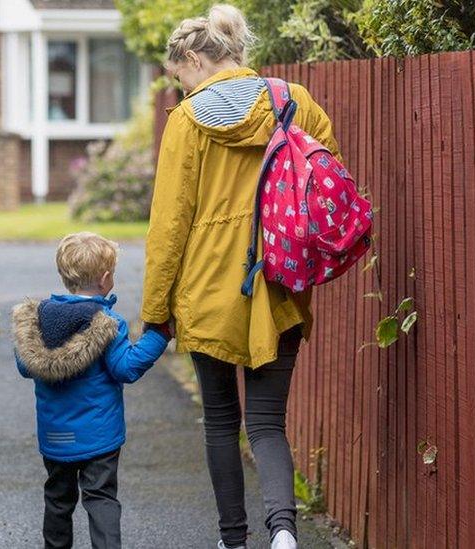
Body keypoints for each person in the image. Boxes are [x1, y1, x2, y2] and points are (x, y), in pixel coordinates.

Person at [141, 5, 342, 549]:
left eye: (179, 76)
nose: (180, 89)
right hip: (278, 280)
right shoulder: (294, 102)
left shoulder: (186, 122)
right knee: (268, 423)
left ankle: (236, 540)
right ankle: (283, 534)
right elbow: (328, 177)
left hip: (208, 290)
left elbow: (169, 223)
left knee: (220, 424)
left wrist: (155, 310)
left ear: (193, 58)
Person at [12, 232, 172, 549]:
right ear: (105, 278)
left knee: (58, 499)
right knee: (100, 499)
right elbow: (126, 368)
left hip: (54, 438)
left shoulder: (38, 321)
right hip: (99, 438)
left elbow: (24, 366)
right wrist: (159, 336)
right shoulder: (107, 323)